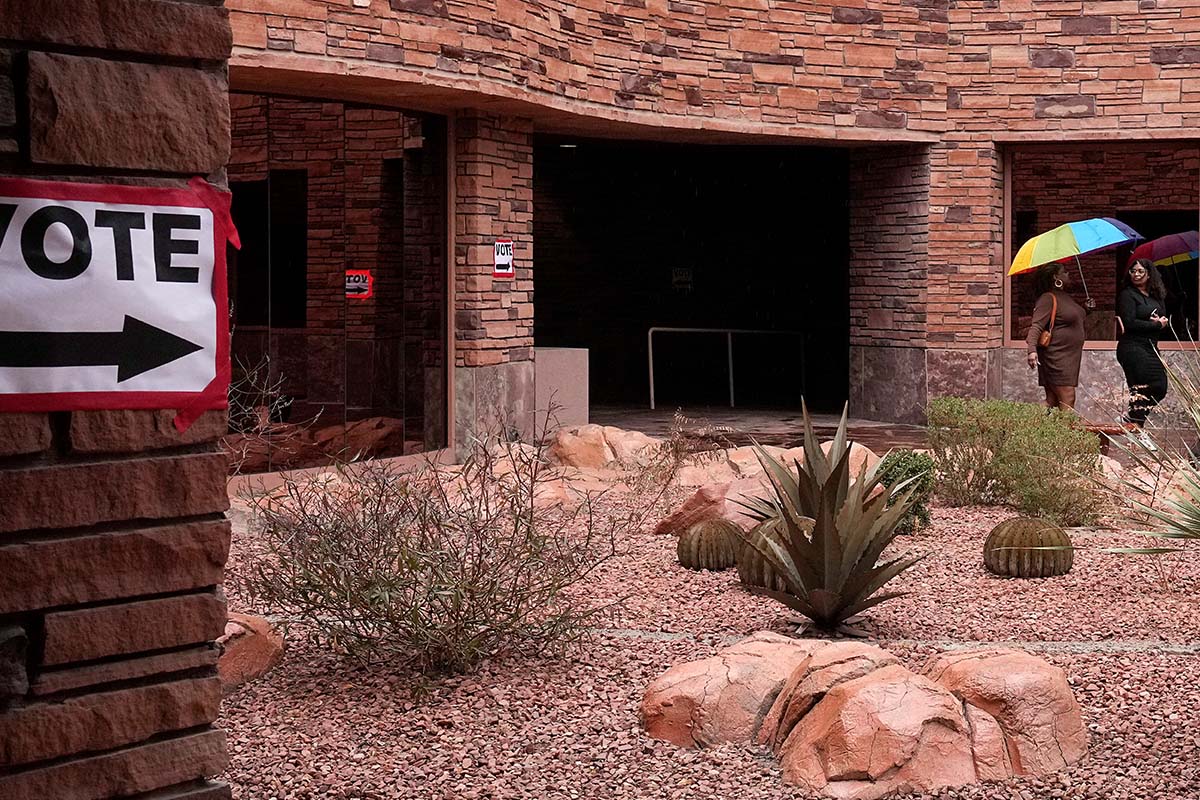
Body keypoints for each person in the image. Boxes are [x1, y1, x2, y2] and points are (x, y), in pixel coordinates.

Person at [1116, 258, 1170, 447]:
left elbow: (1163, 319)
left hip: (1150, 346)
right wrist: (1154, 324)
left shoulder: (1156, 295)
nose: (1136, 275)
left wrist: (1160, 322)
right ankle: (1137, 429)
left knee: (1160, 386)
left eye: (1140, 271)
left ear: (1149, 274)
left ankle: (1133, 422)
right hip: (1132, 347)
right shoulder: (1127, 295)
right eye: (1133, 271)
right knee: (1143, 387)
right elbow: (1129, 323)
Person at [1026, 263, 1086, 410]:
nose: (1068, 274)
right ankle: (1066, 432)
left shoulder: (1064, 297)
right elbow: (1037, 325)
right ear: (1055, 277)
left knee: (1052, 400)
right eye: (1064, 272)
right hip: (1056, 356)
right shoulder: (1047, 298)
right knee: (1068, 397)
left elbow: (1071, 319)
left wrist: (1087, 309)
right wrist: (1031, 350)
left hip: (1069, 356)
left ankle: (1025, 426)